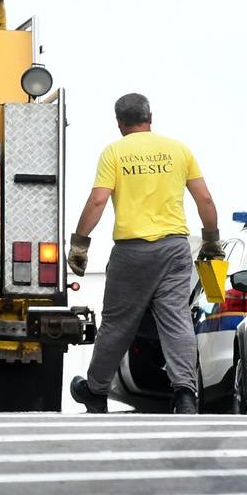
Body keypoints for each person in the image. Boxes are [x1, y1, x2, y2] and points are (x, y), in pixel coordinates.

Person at [68, 92, 222, 415]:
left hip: (132, 253)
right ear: (150, 116)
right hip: (174, 249)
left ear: (120, 123)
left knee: (117, 323)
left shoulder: (114, 152)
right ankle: (185, 395)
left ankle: (95, 391)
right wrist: (211, 241)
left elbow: (97, 201)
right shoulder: (179, 150)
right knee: (177, 319)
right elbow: (205, 200)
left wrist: (80, 243)